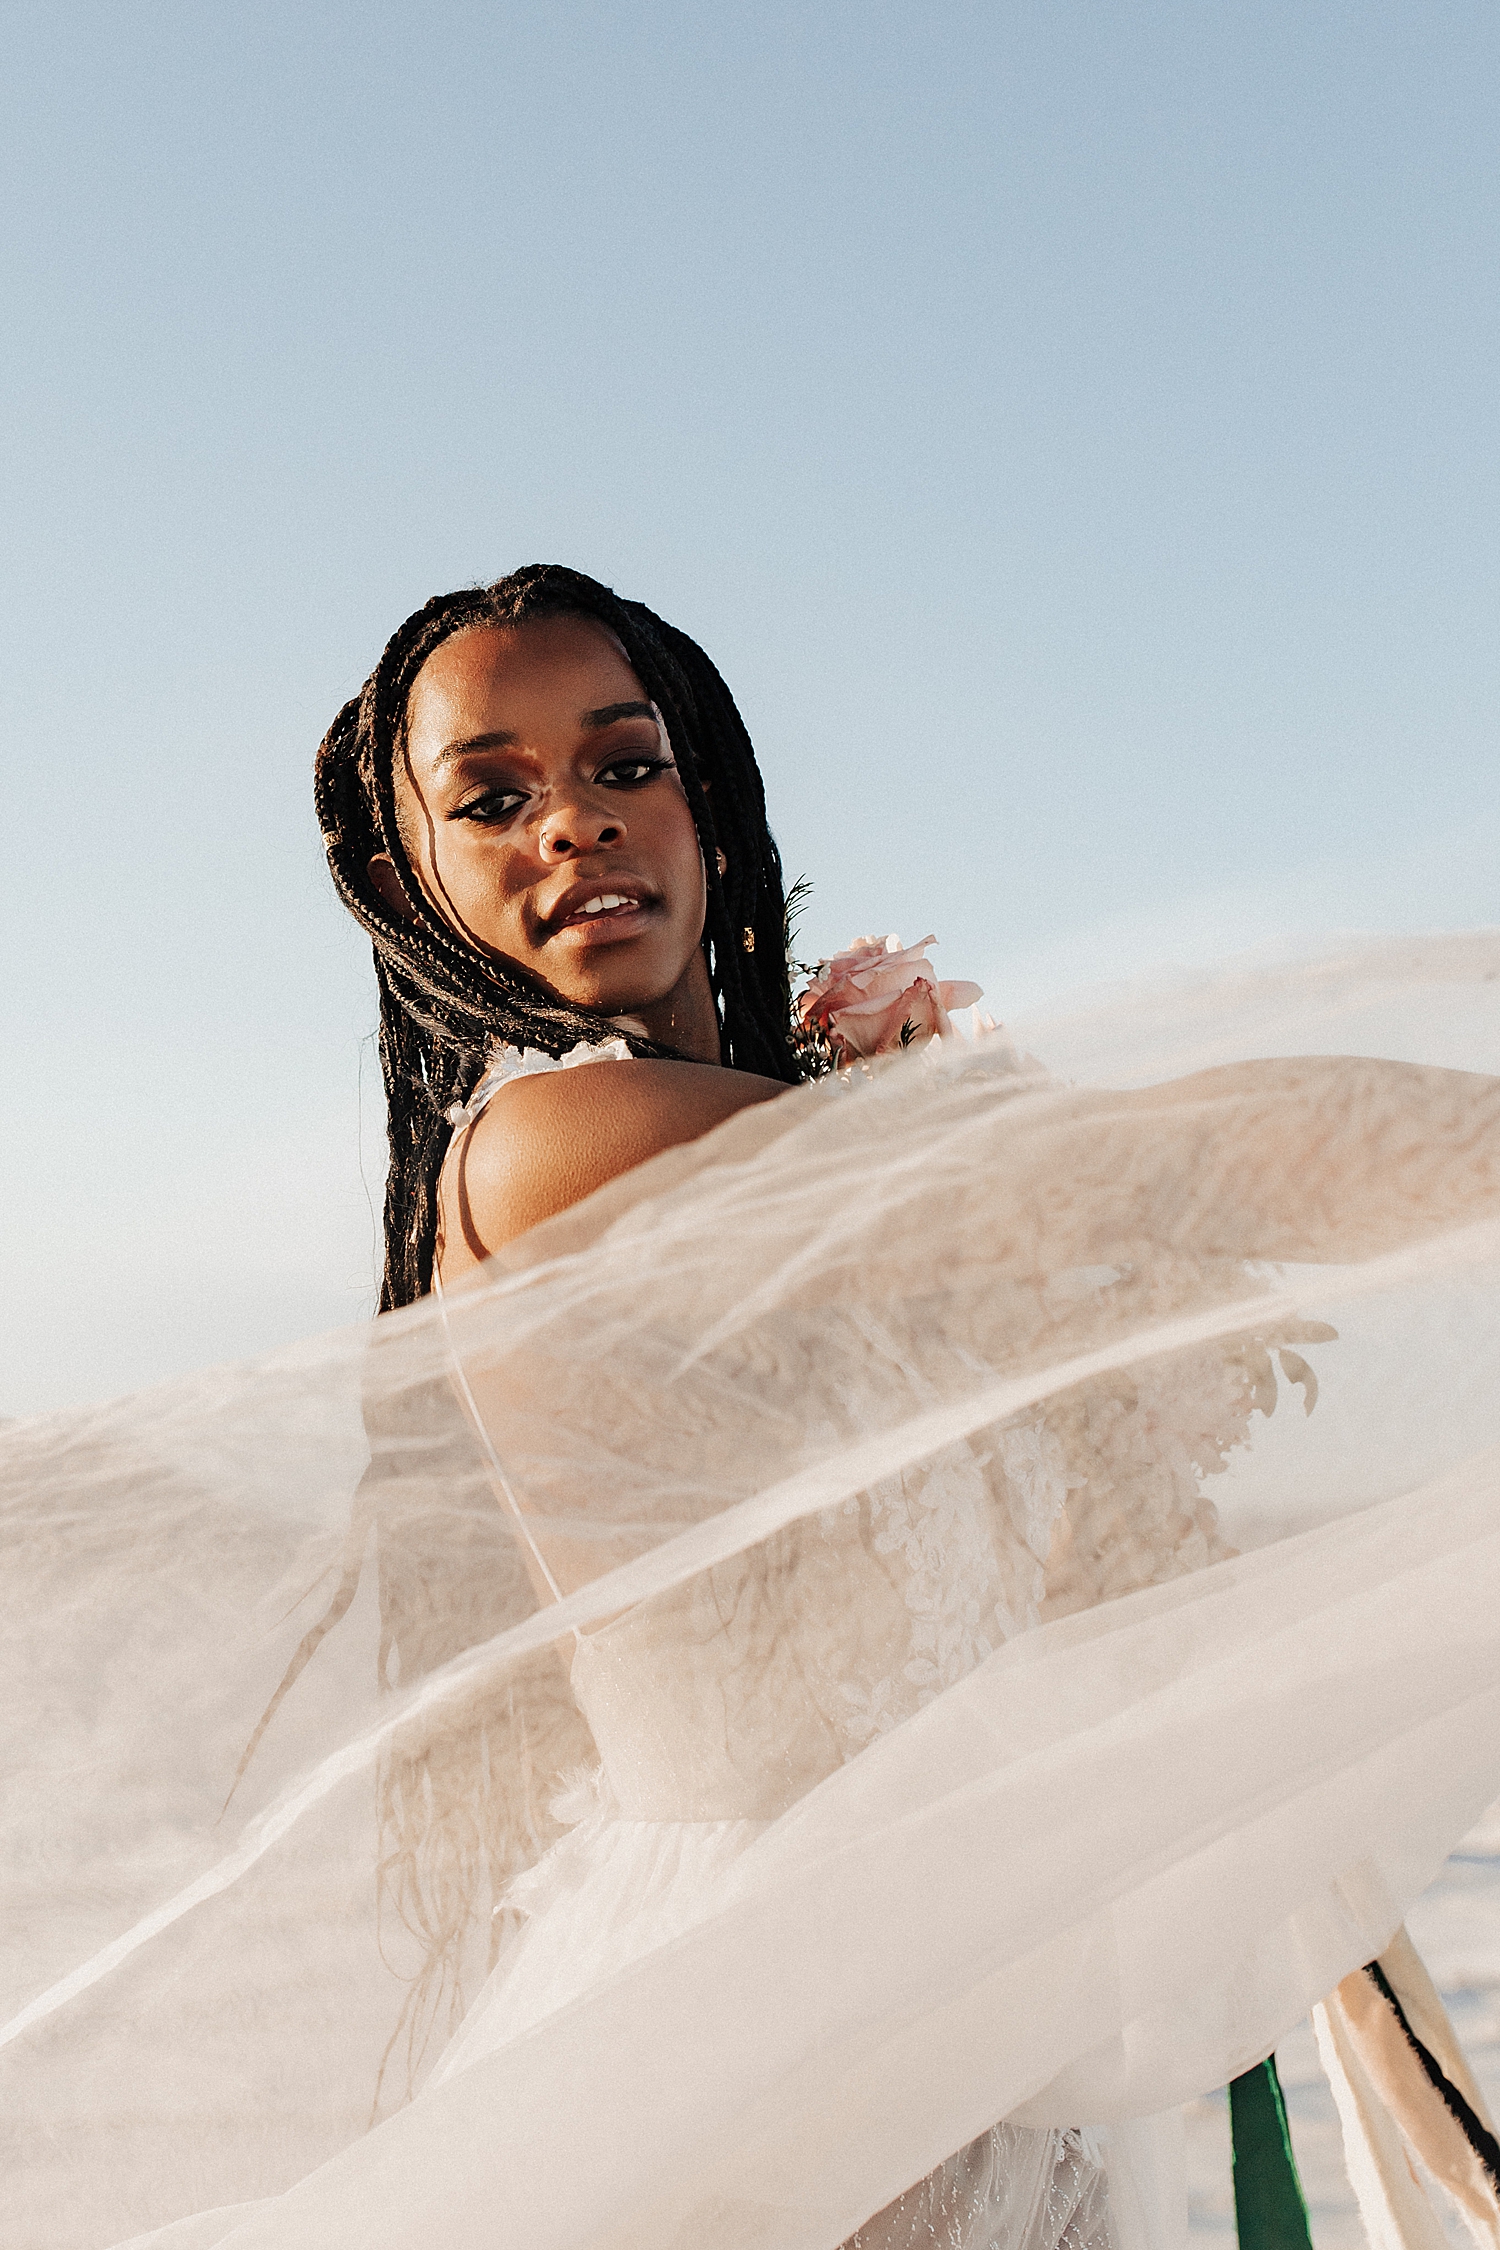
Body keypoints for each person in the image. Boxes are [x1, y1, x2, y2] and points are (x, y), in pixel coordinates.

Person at [8, 566, 1500, 2250]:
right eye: (493, 799)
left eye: (623, 766)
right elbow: (1156, 1173)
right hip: (771, 2044)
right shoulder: (548, 1152)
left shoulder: (805, 1138)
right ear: (407, 877)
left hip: (962, 2012)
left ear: (705, 799)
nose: (572, 825)